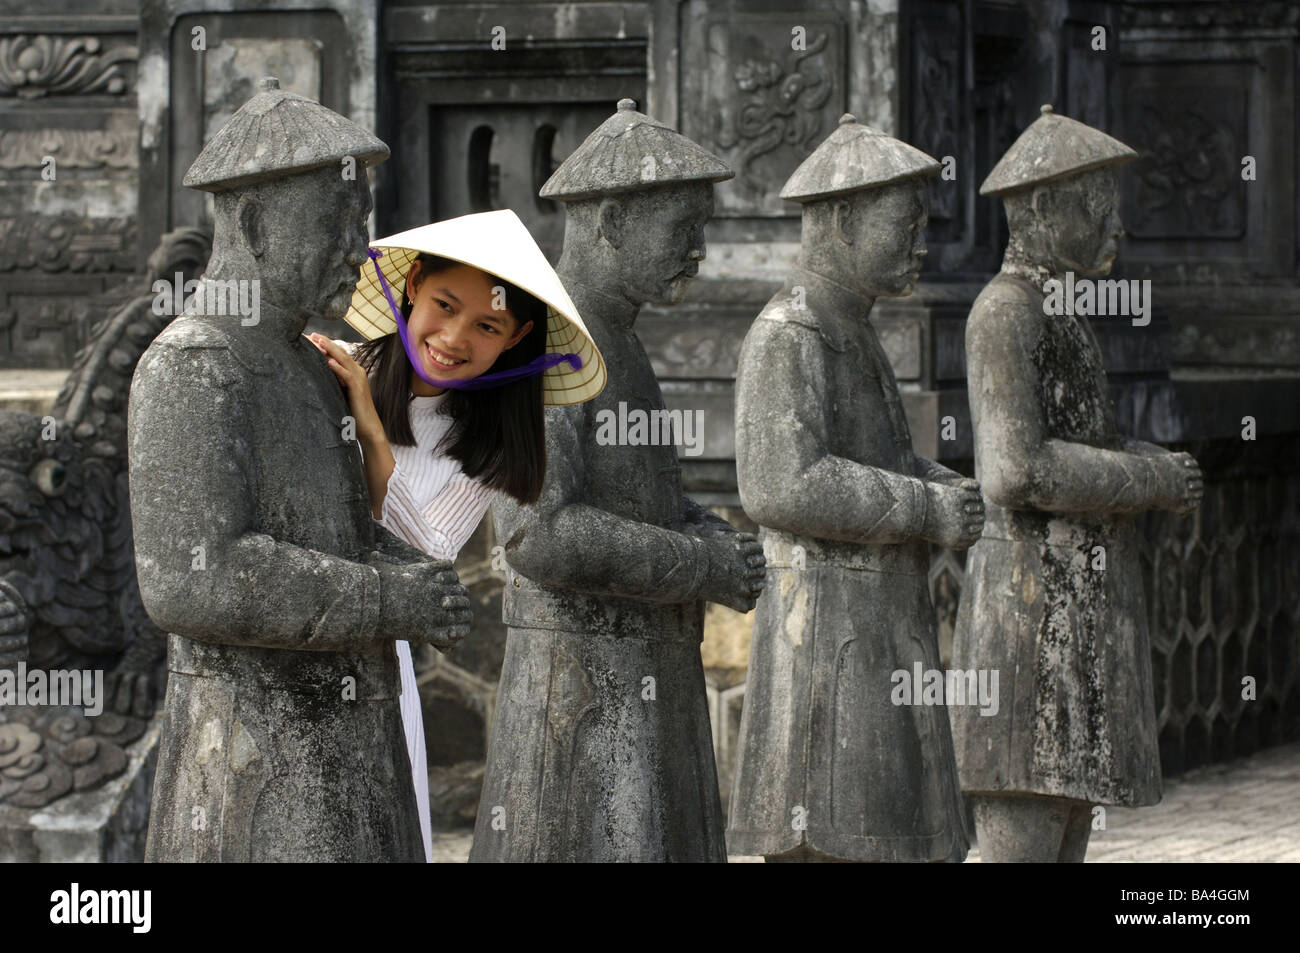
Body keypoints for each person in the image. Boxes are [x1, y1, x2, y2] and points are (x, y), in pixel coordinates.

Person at [132, 78, 471, 863]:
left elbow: (346, 532)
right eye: (338, 220)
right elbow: (195, 577)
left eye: (363, 220)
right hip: (256, 771)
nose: (360, 248)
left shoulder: (314, 367)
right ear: (252, 221)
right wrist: (388, 595)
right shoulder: (193, 364)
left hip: (352, 748)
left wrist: (416, 578)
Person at [307, 209, 605, 861]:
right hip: (293, 640)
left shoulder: (486, 445)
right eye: (445, 304)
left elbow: (430, 559)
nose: (453, 335)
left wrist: (373, 435)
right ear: (412, 285)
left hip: (381, 668)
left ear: (516, 336)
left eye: (487, 325)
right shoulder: (323, 373)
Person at [951, 106, 1204, 862]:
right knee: (1023, 834)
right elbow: (1016, 468)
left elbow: (1073, 443)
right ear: (1041, 210)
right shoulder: (1005, 312)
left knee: (1063, 833)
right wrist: (1146, 474)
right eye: (1097, 203)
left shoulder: (1060, 312)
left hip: (1073, 617)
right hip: (1029, 623)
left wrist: (1137, 460)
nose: (1116, 222)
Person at [727, 115, 979, 863]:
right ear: (840, 218)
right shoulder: (791, 330)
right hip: (827, 648)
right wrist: (926, 504)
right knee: (835, 839)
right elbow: (781, 484)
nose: (920, 241)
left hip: (875, 634)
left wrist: (940, 484)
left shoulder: (854, 329)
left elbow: (881, 458)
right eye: (904, 222)